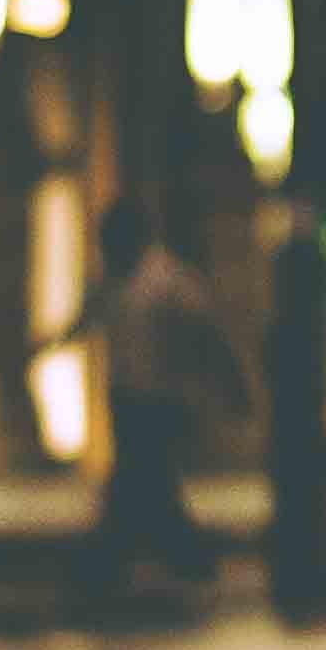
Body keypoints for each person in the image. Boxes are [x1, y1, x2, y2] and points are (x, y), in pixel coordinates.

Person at [61, 194, 250, 600]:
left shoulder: (165, 279)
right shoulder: (110, 280)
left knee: (141, 477)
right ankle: (175, 554)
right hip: (124, 397)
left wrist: (232, 384)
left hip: (160, 398)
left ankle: (127, 558)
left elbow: (208, 331)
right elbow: (84, 320)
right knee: (149, 481)